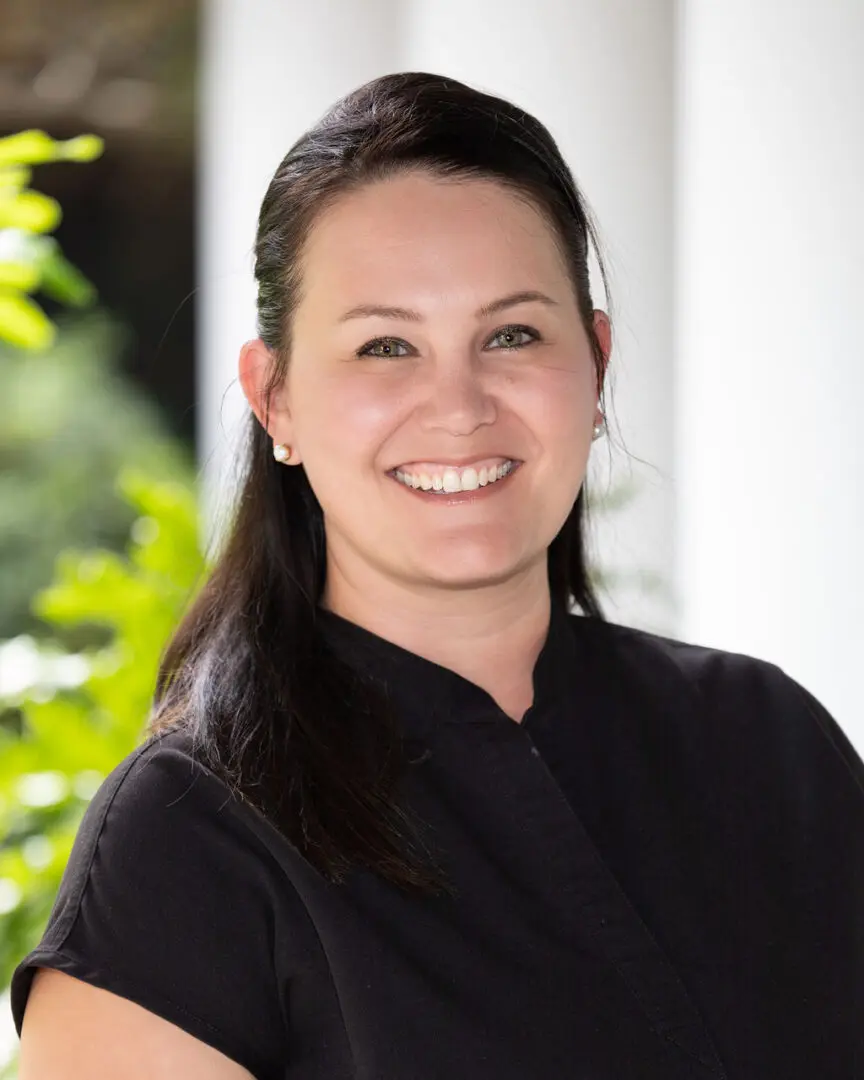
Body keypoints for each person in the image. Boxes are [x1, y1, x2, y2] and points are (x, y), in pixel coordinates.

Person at [10, 71, 864, 1080]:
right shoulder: (189, 842)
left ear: (594, 365)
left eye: (512, 334)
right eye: (385, 346)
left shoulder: (764, 742)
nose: (458, 407)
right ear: (274, 397)